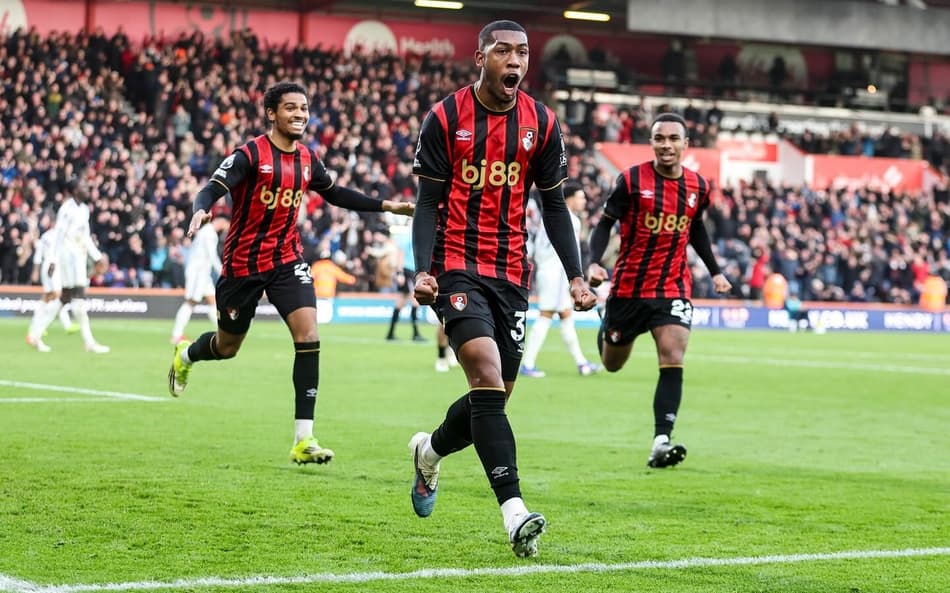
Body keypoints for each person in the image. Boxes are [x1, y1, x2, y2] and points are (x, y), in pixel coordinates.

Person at [408, 20, 598, 558]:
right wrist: (423, 270)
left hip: (512, 273)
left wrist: (577, 275)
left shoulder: (542, 122)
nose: (514, 60)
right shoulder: (445, 117)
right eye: (502, 51)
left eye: (522, 53)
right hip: (456, 266)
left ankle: (429, 451)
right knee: (487, 378)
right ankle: (515, 513)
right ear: (480, 58)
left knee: (492, 398)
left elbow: (554, 206)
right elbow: (427, 202)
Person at [167, 81, 413, 466]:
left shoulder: (308, 159)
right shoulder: (250, 154)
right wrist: (202, 208)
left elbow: (336, 194)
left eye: (304, 108)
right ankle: (188, 354)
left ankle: (304, 438)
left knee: (309, 335)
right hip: (243, 266)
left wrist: (387, 205)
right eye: (291, 108)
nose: (300, 114)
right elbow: (214, 185)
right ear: (271, 113)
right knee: (227, 347)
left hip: (287, 260)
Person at [587, 113, 732, 470]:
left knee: (673, 353)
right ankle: (607, 326)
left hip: (673, 286)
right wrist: (592, 263)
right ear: (651, 143)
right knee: (612, 363)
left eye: (673, 138)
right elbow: (604, 225)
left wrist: (715, 272)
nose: (666, 145)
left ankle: (661, 440)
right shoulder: (631, 180)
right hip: (628, 288)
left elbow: (696, 229)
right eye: (659, 138)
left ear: (686, 144)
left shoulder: (698, 186)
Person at [520, 182, 599, 377]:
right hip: (555, 272)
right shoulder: (570, 220)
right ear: (570, 198)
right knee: (546, 314)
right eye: (581, 197)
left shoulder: (551, 216)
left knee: (565, 315)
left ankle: (581, 363)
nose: (584, 201)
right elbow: (573, 253)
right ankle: (527, 364)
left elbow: (538, 248)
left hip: (550, 270)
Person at [26, 181, 110, 354]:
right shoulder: (66, 209)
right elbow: (59, 235)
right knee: (78, 301)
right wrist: (53, 260)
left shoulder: (84, 209)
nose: (87, 189)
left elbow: (85, 236)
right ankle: (89, 342)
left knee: (62, 300)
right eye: (83, 187)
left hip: (79, 258)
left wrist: (97, 256)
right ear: (74, 191)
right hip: (67, 260)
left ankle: (35, 334)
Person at [169, 213, 229, 345]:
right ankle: (176, 335)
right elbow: (211, 255)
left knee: (213, 301)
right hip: (198, 273)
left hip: (201, 273)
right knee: (191, 302)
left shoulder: (206, 232)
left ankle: (223, 333)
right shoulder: (210, 234)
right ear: (221, 222)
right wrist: (222, 271)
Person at [26, 224, 76, 352]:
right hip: (54, 267)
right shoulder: (62, 235)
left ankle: (33, 330)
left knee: (47, 298)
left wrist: (36, 270)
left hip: (46, 266)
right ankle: (37, 333)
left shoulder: (46, 235)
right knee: (58, 297)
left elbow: (38, 254)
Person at [385, 224, 425, 342]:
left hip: (411, 271)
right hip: (408, 271)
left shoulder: (414, 235)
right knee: (415, 300)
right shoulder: (408, 236)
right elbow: (400, 254)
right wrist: (399, 273)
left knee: (400, 302)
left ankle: (390, 333)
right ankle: (415, 334)